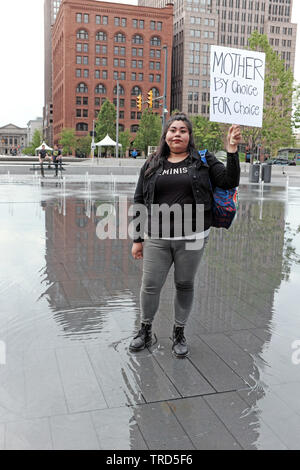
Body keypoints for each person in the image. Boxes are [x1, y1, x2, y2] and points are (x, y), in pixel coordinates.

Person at [129, 113, 241, 358]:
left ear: (189, 136)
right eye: (173, 130)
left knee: (184, 284)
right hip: (157, 236)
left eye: (182, 130)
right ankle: (145, 330)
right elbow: (139, 199)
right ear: (166, 135)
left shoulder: (203, 160)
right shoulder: (151, 163)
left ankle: (179, 332)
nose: (177, 134)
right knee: (150, 285)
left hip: (193, 236)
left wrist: (231, 150)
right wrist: (137, 239)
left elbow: (229, 180)